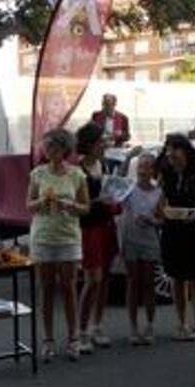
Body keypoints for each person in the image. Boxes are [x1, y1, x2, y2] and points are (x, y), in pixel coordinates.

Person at [26, 128, 90, 362]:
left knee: (69, 287)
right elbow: (28, 205)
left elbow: (86, 207)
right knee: (45, 288)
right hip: (43, 236)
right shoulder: (38, 174)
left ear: (65, 149)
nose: (49, 150)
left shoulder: (76, 175)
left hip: (68, 237)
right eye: (47, 146)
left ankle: (73, 338)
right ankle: (48, 339)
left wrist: (69, 205)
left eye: (54, 146)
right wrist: (42, 201)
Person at [157, 134, 195, 341]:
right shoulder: (166, 174)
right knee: (176, 277)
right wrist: (163, 211)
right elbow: (161, 202)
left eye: (175, 149)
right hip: (174, 230)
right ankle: (181, 323)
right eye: (168, 150)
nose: (170, 154)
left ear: (185, 151)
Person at [75, 122, 120, 353]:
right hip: (88, 228)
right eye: (102, 141)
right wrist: (97, 202)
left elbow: (109, 196)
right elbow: (76, 205)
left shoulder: (104, 165)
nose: (105, 145)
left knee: (105, 279)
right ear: (90, 144)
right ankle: (81, 332)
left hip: (106, 226)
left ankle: (97, 325)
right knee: (93, 279)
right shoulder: (77, 169)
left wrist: (116, 197)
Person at [120, 152, 161, 345]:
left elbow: (162, 219)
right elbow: (114, 184)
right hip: (131, 238)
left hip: (149, 239)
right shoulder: (129, 188)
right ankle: (133, 327)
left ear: (154, 170)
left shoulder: (159, 192)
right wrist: (128, 158)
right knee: (132, 282)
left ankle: (150, 325)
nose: (143, 171)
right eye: (140, 167)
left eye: (147, 167)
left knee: (149, 283)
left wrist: (152, 220)